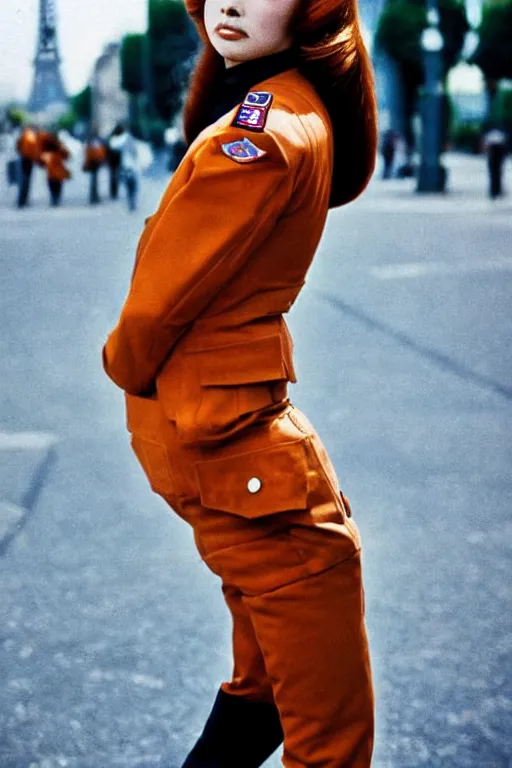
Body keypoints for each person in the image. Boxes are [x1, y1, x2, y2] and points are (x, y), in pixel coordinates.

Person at [102, 0, 377, 763]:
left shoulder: (256, 131)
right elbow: (153, 310)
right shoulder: (276, 126)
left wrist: (127, 367)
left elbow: (150, 316)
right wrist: (130, 361)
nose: (228, 2)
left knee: (264, 690)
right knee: (333, 741)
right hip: (239, 452)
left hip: (212, 443)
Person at [108, 124, 140, 211]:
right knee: (132, 185)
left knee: (129, 184)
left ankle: (131, 202)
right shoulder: (130, 139)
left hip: (127, 166)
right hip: (132, 166)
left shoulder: (122, 139)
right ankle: (132, 202)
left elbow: (113, 145)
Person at [39, 132, 71, 207]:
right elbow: (66, 155)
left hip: (51, 173)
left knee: (52, 186)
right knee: (57, 186)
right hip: (57, 172)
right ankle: (56, 199)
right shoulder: (59, 146)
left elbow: (41, 160)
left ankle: (54, 199)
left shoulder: (47, 149)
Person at [16, 125, 40, 208]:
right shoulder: (31, 136)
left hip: (24, 158)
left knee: (24, 180)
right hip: (28, 160)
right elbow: (34, 150)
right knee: (26, 181)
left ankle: (22, 201)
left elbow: (18, 146)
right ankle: (23, 201)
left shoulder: (24, 135)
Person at [482, 123, 508, 200]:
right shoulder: (501, 135)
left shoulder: (490, 135)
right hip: (497, 152)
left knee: (494, 174)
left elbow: (486, 146)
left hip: (494, 153)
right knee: (497, 173)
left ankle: (494, 191)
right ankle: (496, 191)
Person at [83, 134, 107, 204]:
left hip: (93, 164)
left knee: (93, 181)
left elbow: (87, 154)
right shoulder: (97, 143)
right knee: (94, 181)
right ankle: (94, 197)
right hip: (95, 164)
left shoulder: (90, 143)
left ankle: (93, 197)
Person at [106, 124, 123, 200]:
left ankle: (113, 192)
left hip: (112, 161)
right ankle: (114, 192)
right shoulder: (120, 138)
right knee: (115, 176)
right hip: (116, 160)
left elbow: (107, 149)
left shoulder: (111, 138)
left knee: (113, 176)